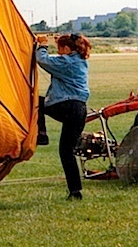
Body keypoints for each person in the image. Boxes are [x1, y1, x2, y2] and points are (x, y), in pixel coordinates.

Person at [35, 33, 92, 200]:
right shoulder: (80, 61)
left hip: (67, 106)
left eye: (60, 49)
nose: (59, 53)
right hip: (80, 109)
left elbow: (43, 60)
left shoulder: (66, 62)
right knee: (67, 152)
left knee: (36, 102)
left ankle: (42, 134)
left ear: (67, 49)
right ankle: (75, 191)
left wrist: (43, 45)